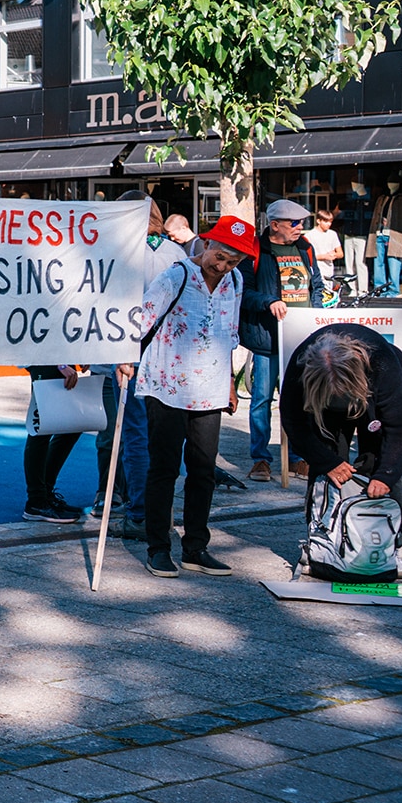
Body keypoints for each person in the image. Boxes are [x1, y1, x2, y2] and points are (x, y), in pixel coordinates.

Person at [125, 215, 254, 578]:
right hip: (167, 383)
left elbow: (229, 332)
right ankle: (158, 547)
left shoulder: (235, 282)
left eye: (233, 261)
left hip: (209, 387)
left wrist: (229, 381)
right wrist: (124, 359)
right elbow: (142, 319)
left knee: (203, 470)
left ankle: (196, 547)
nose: (223, 265)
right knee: (164, 467)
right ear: (208, 244)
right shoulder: (177, 275)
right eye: (221, 256)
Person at [99, 194, 186, 530]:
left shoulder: (118, 251)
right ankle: (155, 509)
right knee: (162, 435)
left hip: (132, 349)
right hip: (171, 353)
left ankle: (139, 511)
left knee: (136, 434)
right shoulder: (175, 253)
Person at [280, 323, 402, 502]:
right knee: (327, 463)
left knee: (377, 461)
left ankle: (390, 522)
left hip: (370, 390)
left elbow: (397, 428)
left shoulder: (383, 364)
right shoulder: (301, 364)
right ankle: (322, 521)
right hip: (323, 403)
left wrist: (386, 475)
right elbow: (293, 421)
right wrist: (326, 462)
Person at [241, 200, 325, 482]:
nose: (301, 227)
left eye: (302, 222)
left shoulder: (306, 248)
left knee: (302, 401)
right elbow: (243, 292)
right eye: (294, 223)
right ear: (275, 225)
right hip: (267, 339)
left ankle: (300, 458)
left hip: (302, 340)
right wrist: (269, 302)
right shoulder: (255, 249)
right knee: (262, 399)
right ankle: (260, 460)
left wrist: (317, 317)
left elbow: (318, 286)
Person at [23, 363, 94, 524]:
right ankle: (36, 501)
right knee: (41, 430)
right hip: (45, 362)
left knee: (71, 426)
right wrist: (60, 364)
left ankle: (45, 494)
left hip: (59, 361)